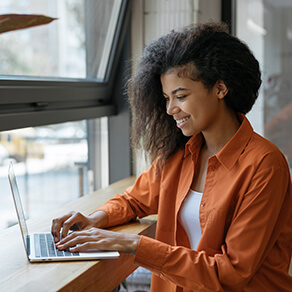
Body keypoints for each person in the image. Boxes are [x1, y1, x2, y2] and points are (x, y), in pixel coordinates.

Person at [51, 22, 292, 291]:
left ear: (220, 89)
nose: (170, 109)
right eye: (166, 98)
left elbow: (230, 274)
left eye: (181, 96)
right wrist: (96, 218)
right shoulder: (180, 154)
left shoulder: (265, 165)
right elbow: (133, 200)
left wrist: (131, 244)